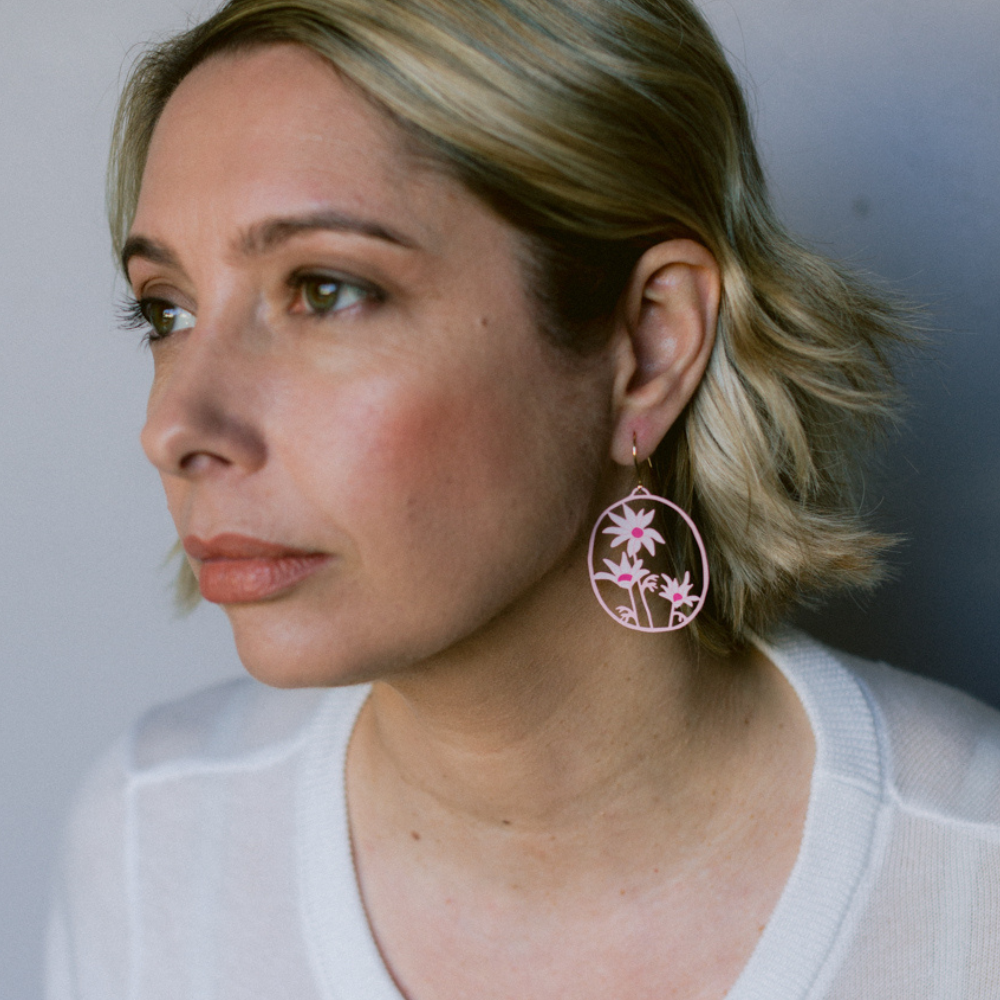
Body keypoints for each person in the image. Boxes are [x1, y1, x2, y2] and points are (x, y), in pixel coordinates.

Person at [47, 0, 1000, 997]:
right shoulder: (146, 841)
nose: (174, 427)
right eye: (167, 309)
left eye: (324, 289)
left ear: (649, 345)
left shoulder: (969, 881)